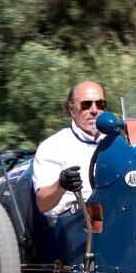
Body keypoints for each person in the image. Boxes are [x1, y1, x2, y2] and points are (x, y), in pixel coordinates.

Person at [32, 80, 107, 216]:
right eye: (86, 105)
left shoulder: (118, 141)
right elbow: (42, 204)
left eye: (100, 104)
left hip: (114, 213)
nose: (94, 110)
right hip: (72, 221)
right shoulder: (52, 146)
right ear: (72, 110)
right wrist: (61, 184)